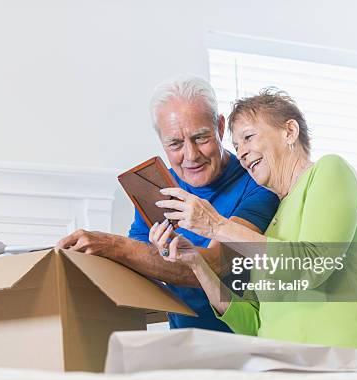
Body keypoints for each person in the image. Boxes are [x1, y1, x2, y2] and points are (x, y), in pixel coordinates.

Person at [150, 87, 357, 354]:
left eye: (249, 137)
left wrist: (216, 226)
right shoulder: (272, 220)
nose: (241, 153)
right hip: (286, 371)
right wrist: (196, 262)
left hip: (348, 361)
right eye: (237, 146)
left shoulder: (329, 171)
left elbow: (313, 265)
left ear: (290, 131)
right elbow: (251, 322)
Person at [56, 76, 279, 332]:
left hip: (248, 340)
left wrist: (113, 245)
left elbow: (220, 265)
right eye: (175, 143)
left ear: (219, 127)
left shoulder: (257, 182)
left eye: (201, 138)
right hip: (185, 342)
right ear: (161, 141)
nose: (191, 155)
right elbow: (137, 269)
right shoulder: (157, 188)